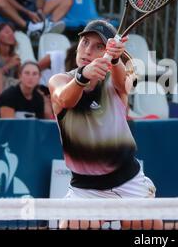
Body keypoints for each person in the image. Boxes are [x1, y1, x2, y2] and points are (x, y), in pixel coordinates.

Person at [48, 20, 159, 229]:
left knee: (149, 230)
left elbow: (124, 83)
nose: (88, 50)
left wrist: (116, 60)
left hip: (129, 182)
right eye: (85, 42)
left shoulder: (117, 80)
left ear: (108, 51)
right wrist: (82, 77)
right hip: (85, 190)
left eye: (99, 46)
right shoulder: (59, 80)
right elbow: (64, 99)